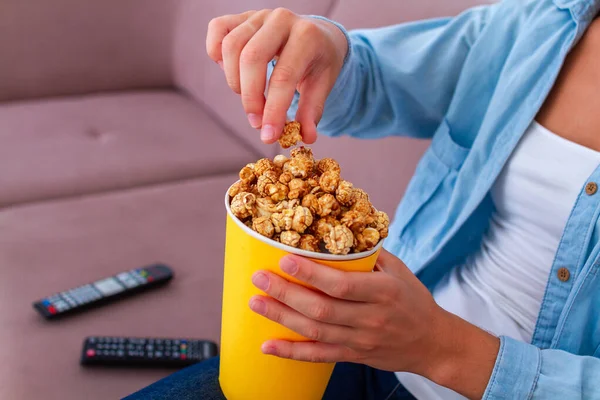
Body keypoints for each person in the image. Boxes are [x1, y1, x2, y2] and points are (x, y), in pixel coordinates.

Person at [124, 0, 600, 398]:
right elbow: (377, 78)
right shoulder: (545, 22)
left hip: (421, 347)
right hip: (372, 348)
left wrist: (442, 348)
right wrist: (329, 48)